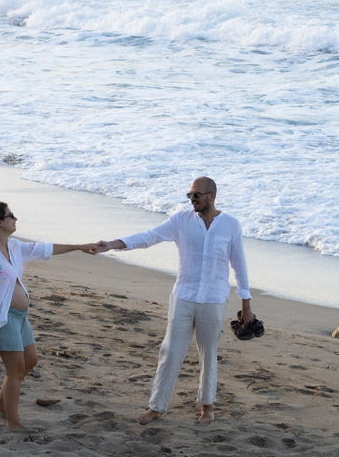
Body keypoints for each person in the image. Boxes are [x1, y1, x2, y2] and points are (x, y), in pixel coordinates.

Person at [92, 176, 254, 424]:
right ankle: (157, 406)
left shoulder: (231, 225)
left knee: (208, 353)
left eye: (196, 195)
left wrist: (246, 304)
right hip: (183, 297)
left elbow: (239, 265)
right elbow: (150, 236)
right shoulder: (181, 220)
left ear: (211, 196)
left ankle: (207, 407)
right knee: (170, 351)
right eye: (190, 195)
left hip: (213, 298)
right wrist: (112, 244)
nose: (192, 199)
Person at [0, 201, 95, 429]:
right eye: (11, 216)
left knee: (30, 361)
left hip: (20, 317)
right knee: (15, 370)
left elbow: (44, 249)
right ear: (0, 222)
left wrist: (80, 246)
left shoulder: (13, 248)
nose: (16, 219)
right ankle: (13, 422)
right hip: (1, 319)